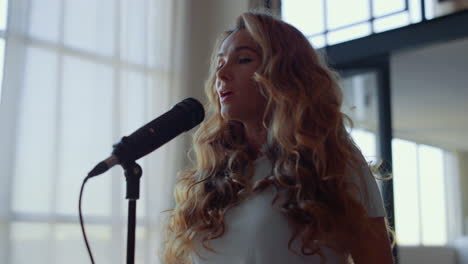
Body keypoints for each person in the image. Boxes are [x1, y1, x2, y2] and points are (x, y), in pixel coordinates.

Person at [162, 10, 395, 264]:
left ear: (284, 73)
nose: (222, 75)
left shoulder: (333, 158)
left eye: (243, 60)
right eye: (220, 63)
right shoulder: (214, 174)